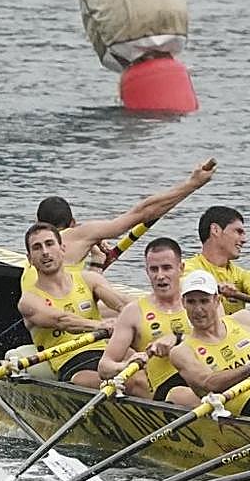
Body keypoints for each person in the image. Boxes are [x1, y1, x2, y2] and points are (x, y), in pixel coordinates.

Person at [22, 159, 215, 286]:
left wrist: (96, 262)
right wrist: (192, 184)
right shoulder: (78, 236)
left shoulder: (33, 254)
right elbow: (142, 212)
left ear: (37, 222)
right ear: (73, 223)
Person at [16, 223, 130, 387]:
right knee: (125, 383)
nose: (45, 252)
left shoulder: (89, 280)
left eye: (49, 244)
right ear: (30, 259)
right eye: (37, 248)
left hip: (107, 353)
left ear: (62, 248)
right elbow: (62, 320)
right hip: (73, 364)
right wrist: (99, 325)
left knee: (142, 371)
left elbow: (122, 303)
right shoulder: (29, 300)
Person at [163, 271, 250, 420]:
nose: (198, 309)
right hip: (248, 404)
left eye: (204, 301)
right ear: (183, 303)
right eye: (191, 302)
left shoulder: (243, 319)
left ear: (217, 300)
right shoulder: (182, 352)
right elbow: (208, 383)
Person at [98, 237, 189, 400]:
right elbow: (104, 366)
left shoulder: (201, 302)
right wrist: (125, 366)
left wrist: (179, 339)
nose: (160, 276)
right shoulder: (133, 312)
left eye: (167, 268)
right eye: (154, 269)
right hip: (166, 392)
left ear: (181, 269)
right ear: (147, 271)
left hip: (206, 382)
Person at [182, 205, 250, 317]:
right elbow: (181, 283)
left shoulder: (244, 275)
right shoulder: (186, 268)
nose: (244, 240)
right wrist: (213, 286)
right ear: (215, 230)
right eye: (238, 232)